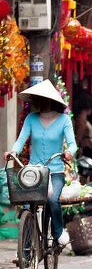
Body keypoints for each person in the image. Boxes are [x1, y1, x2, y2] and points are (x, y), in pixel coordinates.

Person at [4, 80, 77, 246]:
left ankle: (58, 232)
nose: (38, 102)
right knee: (27, 204)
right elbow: (21, 140)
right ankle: (27, 247)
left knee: (52, 201)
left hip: (55, 172)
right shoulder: (31, 118)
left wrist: (69, 153)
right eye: (36, 99)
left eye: (41, 99)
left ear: (50, 100)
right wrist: (13, 152)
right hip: (34, 172)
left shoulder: (64, 120)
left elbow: (72, 144)